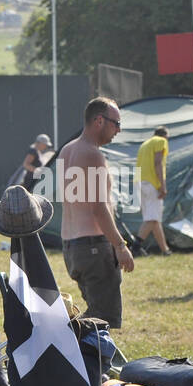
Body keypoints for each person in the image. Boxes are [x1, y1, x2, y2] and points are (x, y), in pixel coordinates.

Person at [58, 97, 135, 328]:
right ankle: (79, 359)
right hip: (93, 247)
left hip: (72, 247)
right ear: (99, 120)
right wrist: (120, 246)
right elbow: (99, 208)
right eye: (116, 123)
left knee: (93, 314)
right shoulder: (92, 154)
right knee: (103, 321)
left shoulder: (67, 150)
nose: (118, 130)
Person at [136, 126, 172, 256]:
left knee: (154, 219)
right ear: (165, 136)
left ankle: (165, 250)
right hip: (152, 182)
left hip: (140, 182)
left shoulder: (145, 144)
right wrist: (162, 186)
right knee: (151, 219)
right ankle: (136, 247)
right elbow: (158, 163)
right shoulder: (161, 142)